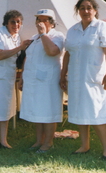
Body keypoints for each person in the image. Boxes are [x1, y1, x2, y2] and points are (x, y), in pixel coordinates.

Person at [60, 0, 106, 160]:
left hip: (93, 77)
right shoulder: (73, 30)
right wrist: (63, 74)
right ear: (78, 11)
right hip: (75, 77)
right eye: (82, 8)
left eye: (89, 7)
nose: (85, 11)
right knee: (79, 112)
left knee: (96, 113)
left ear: (95, 10)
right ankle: (84, 145)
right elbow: (67, 53)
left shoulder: (102, 27)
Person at [0, 10, 32, 150]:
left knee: (7, 108)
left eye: (18, 22)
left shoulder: (17, 37)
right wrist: (20, 48)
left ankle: (3, 141)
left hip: (8, 76)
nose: (15, 24)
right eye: (12, 22)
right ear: (6, 23)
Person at [19, 9, 65, 153]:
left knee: (49, 111)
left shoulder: (57, 35)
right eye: (38, 20)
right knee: (37, 110)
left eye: (44, 20)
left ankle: (48, 142)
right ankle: (39, 141)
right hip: (33, 79)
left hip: (48, 81)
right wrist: (22, 77)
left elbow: (52, 51)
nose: (40, 23)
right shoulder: (34, 37)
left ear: (51, 23)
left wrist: (43, 34)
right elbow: (28, 57)